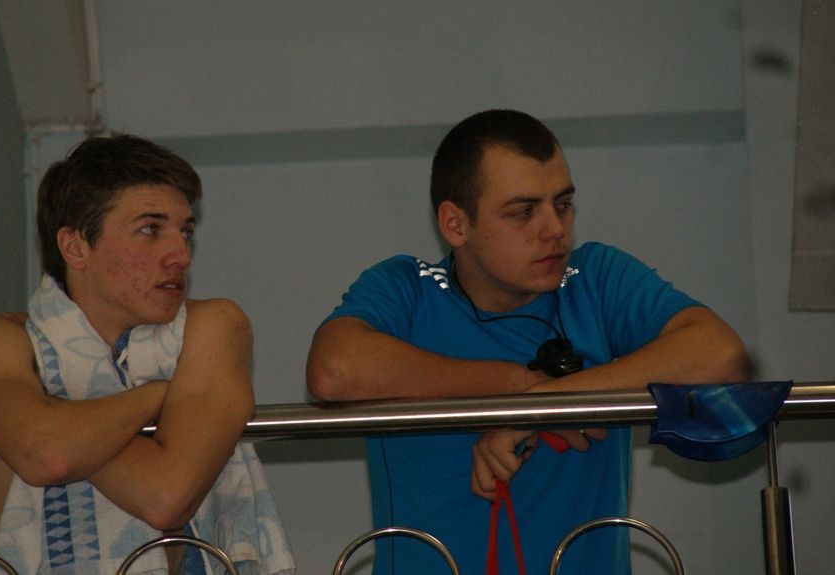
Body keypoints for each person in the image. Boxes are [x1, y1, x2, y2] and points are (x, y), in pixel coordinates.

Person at [306, 110, 751, 575]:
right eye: (523, 212)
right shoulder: (407, 288)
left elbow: (720, 357)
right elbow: (334, 371)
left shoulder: (595, 278)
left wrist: (541, 406)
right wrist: (515, 388)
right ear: (455, 224)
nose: (555, 229)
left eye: (563, 204)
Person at [0, 135, 295, 575]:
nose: (181, 254)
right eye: (150, 230)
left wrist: (45, 413)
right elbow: (47, 454)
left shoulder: (214, 325)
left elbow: (165, 497)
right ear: (75, 247)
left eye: (185, 231)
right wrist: (161, 394)